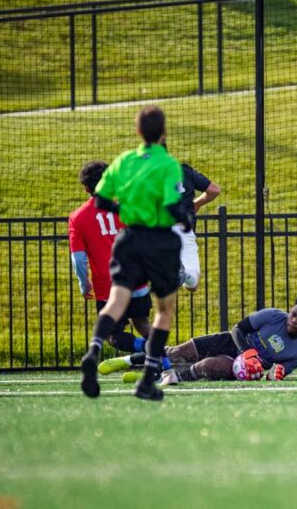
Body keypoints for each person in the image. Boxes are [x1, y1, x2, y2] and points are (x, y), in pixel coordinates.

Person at [80, 105, 188, 401]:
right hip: (159, 240)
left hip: (128, 239)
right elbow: (171, 205)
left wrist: (123, 209)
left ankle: (94, 348)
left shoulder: (124, 161)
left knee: (116, 300)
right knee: (163, 311)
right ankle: (147, 380)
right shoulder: (167, 164)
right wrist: (185, 216)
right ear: (163, 132)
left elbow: (101, 200)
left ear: (137, 131)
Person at [99, 296, 297, 384]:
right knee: (176, 353)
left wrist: (272, 373)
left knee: (205, 366)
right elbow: (238, 329)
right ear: (290, 311)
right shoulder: (273, 315)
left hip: (242, 367)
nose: (294, 321)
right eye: (294, 314)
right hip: (231, 342)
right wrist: (246, 351)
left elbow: (277, 374)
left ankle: (156, 379)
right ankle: (128, 360)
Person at [68, 161, 153, 354]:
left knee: (112, 333)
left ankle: (149, 349)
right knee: (141, 321)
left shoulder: (78, 217)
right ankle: (165, 362)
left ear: (87, 188)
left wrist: (84, 284)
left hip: (108, 284)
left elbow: (78, 258)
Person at [170, 161, 221, 293]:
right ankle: (185, 273)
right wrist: (197, 203)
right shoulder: (183, 170)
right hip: (183, 230)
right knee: (192, 285)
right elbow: (214, 190)